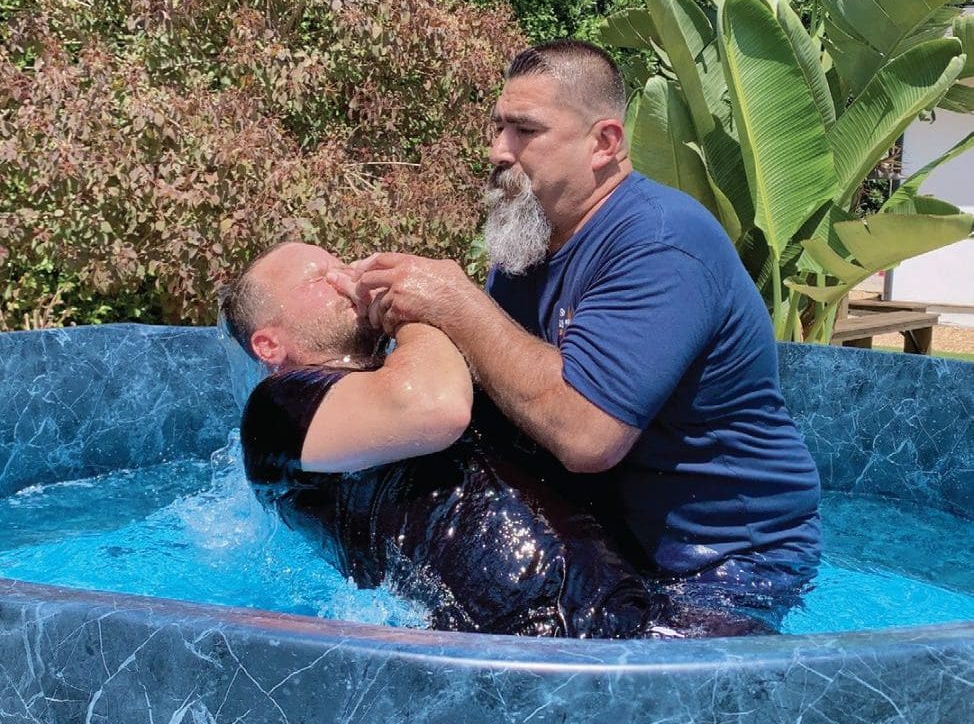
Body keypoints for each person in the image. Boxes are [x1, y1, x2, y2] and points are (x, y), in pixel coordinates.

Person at [329, 40, 822, 626]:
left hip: (722, 564)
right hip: (610, 545)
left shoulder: (662, 244)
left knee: (642, 713)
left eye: (524, 131)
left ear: (605, 143)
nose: (498, 150)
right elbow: (499, 386)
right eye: (497, 127)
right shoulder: (530, 240)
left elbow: (588, 435)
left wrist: (456, 304)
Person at [220, 241, 758, 639]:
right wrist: (417, 311)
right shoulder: (277, 413)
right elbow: (434, 408)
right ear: (270, 344)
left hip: (624, 612)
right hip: (528, 642)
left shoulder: (391, 373)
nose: (344, 278)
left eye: (339, 263)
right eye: (318, 279)